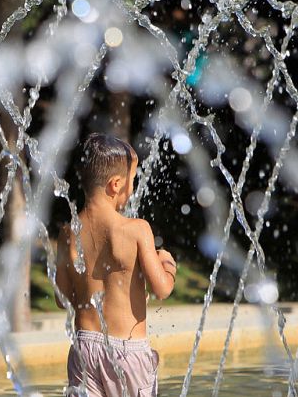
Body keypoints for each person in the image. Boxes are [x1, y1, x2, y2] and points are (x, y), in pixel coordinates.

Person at [55, 133, 177, 397]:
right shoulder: (136, 230)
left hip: (84, 348)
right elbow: (161, 289)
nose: (132, 189)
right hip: (127, 354)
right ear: (115, 184)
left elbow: (61, 298)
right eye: (132, 181)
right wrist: (167, 263)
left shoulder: (68, 232)